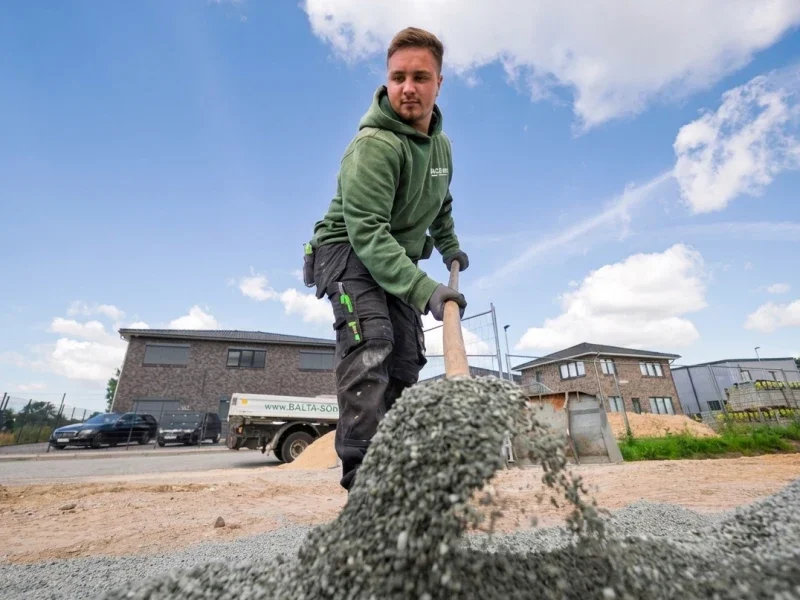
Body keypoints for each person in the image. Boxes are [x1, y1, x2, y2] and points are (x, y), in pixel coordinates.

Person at [305, 26, 468, 491]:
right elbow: (368, 234)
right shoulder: (375, 145)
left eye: (420, 77)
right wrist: (425, 289)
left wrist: (450, 246)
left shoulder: (441, 147)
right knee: (371, 345)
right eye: (398, 77)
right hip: (348, 251)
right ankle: (365, 487)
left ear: (439, 83)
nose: (408, 88)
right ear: (387, 81)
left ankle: (395, 471)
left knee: (405, 361)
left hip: (392, 256)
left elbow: (441, 203)